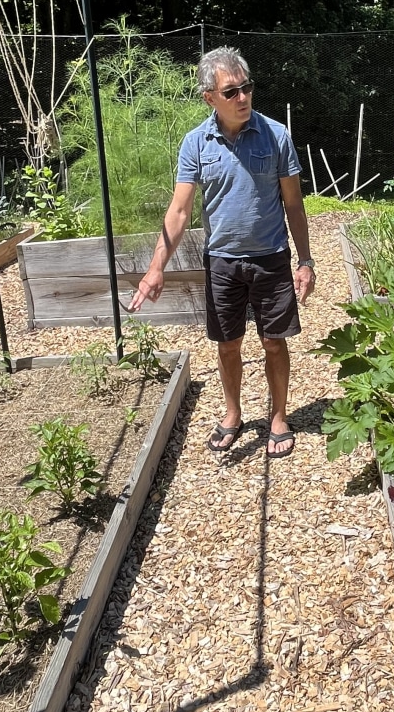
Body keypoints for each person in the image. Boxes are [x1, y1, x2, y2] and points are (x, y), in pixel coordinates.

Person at [129, 46, 315, 458]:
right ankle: (233, 413)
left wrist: (304, 261)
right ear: (209, 97)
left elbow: (294, 205)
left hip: (270, 257)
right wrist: (156, 268)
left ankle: (279, 417)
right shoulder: (196, 143)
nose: (243, 98)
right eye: (231, 92)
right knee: (228, 344)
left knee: (273, 341)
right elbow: (179, 211)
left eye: (246, 88)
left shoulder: (276, 135)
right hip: (222, 263)